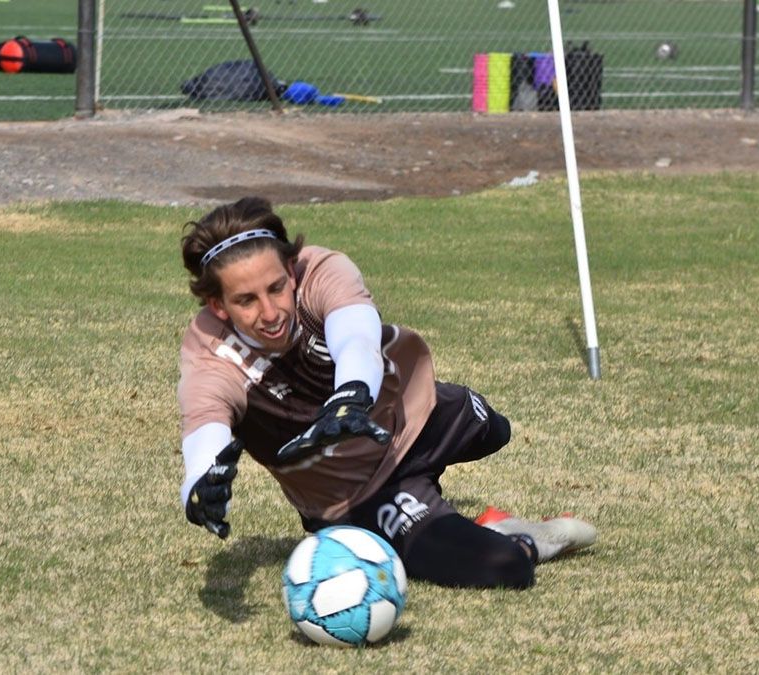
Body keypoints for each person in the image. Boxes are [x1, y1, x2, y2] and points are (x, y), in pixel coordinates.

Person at [177, 197, 596, 589]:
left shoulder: (319, 270)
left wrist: (352, 394)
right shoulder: (210, 353)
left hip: (415, 413)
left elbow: (356, 337)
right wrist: (198, 484)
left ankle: (449, 441)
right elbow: (205, 424)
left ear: (290, 271)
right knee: (505, 566)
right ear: (218, 305)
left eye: (275, 288)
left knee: (497, 430)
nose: (270, 313)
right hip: (363, 491)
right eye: (246, 300)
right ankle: (515, 534)